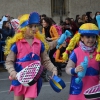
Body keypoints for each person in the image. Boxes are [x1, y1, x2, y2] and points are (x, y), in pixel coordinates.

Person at [5, 12, 57, 100]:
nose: (34, 29)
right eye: (30, 26)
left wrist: (53, 69)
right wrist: (13, 72)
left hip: (32, 80)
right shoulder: (16, 44)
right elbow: (9, 61)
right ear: (23, 28)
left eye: (35, 26)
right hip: (18, 79)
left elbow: (45, 61)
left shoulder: (39, 43)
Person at [63, 23, 100, 100]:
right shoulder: (76, 52)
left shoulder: (98, 53)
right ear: (82, 38)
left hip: (94, 89)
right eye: (88, 37)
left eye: (93, 37)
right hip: (78, 88)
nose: (91, 39)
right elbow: (68, 69)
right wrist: (75, 70)